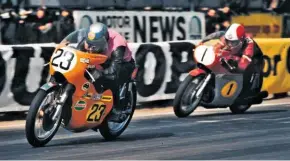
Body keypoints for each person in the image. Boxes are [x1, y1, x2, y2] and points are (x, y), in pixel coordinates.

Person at [61, 22, 136, 123]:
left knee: (111, 80)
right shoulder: (91, 39)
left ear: (105, 40)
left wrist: (100, 74)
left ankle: (117, 110)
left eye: (96, 45)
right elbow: (77, 54)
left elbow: (114, 71)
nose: (92, 48)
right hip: (100, 59)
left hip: (121, 63)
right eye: (90, 44)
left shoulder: (118, 44)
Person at [199, 23, 264, 100]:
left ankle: (244, 95)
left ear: (241, 40)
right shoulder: (226, 38)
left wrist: (234, 66)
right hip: (236, 54)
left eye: (233, 42)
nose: (230, 44)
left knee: (246, 71)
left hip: (253, 58)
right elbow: (216, 48)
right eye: (228, 41)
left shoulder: (249, 43)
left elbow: (243, 63)